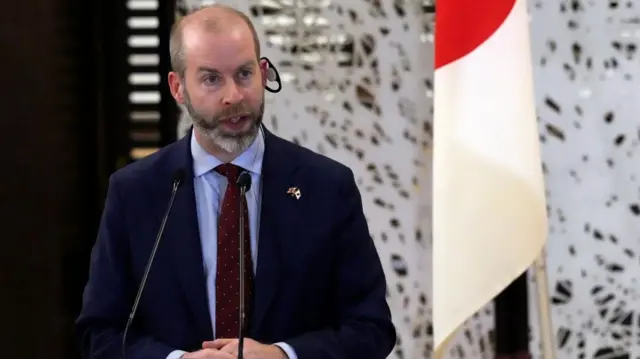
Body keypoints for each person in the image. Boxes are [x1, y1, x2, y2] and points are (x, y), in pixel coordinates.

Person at [76, 5, 395, 359]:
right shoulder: (135, 192)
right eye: (211, 79)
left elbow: (371, 328)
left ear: (262, 73)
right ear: (178, 87)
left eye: (244, 74)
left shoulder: (326, 187)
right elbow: (100, 332)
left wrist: (283, 355)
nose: (233, 96)